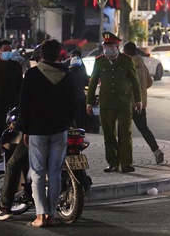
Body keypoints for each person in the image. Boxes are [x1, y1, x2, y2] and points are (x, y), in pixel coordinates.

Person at [20, 39, 76, 227]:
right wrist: (67, 122)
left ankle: (40, 215)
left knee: (37, 172)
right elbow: (73, 102)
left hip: (37, 130)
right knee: (55, 173)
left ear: (41, 54)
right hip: (59, 129)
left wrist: (25, 129)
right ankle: (51, 215)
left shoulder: (32, 74)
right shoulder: (66, 75)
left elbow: (24, 104)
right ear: (59, 54)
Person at [86, 32, 142, 174]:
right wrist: (89, 102)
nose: (107, 48)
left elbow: (135, 82)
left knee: (125, 133)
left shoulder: (126, 60)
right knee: (109, 134)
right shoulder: (99, 61)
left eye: (110, 46)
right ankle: (113, 163)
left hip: (124, 102)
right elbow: (93, 82)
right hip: (106, 103)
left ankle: (126, 163)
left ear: (117, 47)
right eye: (105, 46)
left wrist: (138, 100)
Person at [123, 42, 164, 164]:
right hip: (140, 104)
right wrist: (141, 91)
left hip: (127, 104)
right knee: (144, 129)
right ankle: (156, 150)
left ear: (126, 52)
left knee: (124, 131)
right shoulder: (142, 65)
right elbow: (149, 82)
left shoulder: (127, 65)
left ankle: (126, 158)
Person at [68, 53, 91, 132]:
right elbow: (87, 83)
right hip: (81, 97)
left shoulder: (68, 73)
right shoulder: (83, 73)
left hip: (71, 98)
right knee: (80, 114)